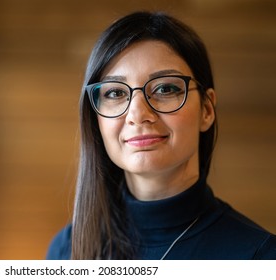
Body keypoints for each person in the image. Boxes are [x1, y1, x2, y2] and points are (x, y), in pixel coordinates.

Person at [46, 11, 276, 260]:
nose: (138, 114)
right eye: (115, 93)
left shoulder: (259, 256)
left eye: (165, 88)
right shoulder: (66, 249)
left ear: (207, 110)